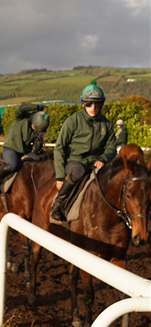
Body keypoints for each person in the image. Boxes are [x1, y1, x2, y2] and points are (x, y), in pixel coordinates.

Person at [50, 81, 117, 222]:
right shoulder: (72, 121)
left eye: (97, 104)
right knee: (78, 172)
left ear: (101, 105)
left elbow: (111, 147)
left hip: (97, 162)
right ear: (83, 104)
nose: (93, 107)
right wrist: (60, 177)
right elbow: (60, 147)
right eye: (89, 103)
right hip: (75, 162)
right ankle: (57, 205)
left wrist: (104, 159)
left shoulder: (106, 124)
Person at [0, 103, 50, 192]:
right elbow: (20, 108)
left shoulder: (37, 130)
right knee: (13, 165)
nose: (34, 129)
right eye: (34, 126)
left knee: (39, 164)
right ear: (32, 120)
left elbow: (36, 149)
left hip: (25, 152)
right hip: (11, 148)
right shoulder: (21, 117)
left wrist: (38, 140)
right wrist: (37, 107)